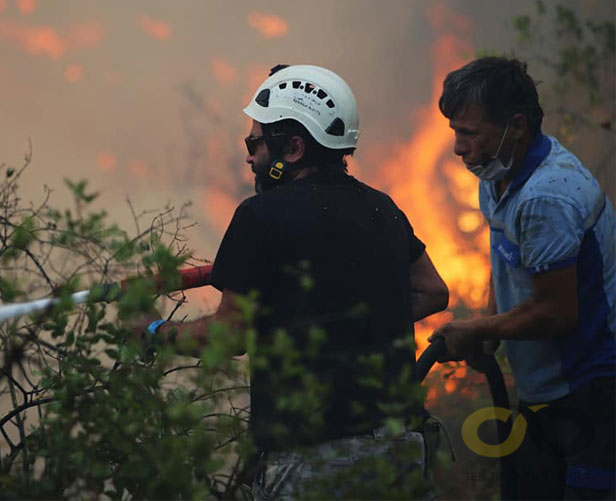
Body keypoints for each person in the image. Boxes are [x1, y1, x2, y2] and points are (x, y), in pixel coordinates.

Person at [133, 64, 448, 499]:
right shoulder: (384, 208)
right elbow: (434, 291)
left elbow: (228, 335)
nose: (248, 156)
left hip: (316, 462)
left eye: (255, 142)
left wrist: (154, 331)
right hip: (401, 451)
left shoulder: (260, 215)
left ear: (294, 148)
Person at [430, 56, 616, 500]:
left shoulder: (547, 196)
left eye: (468, 133)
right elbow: (506, 262)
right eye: (455, 132)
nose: (458, 147)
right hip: (543, 392)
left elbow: (557, 312)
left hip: (592, 388)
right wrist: (490, 327)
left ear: (515, 126)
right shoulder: (495, 174)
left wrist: (477, 328)